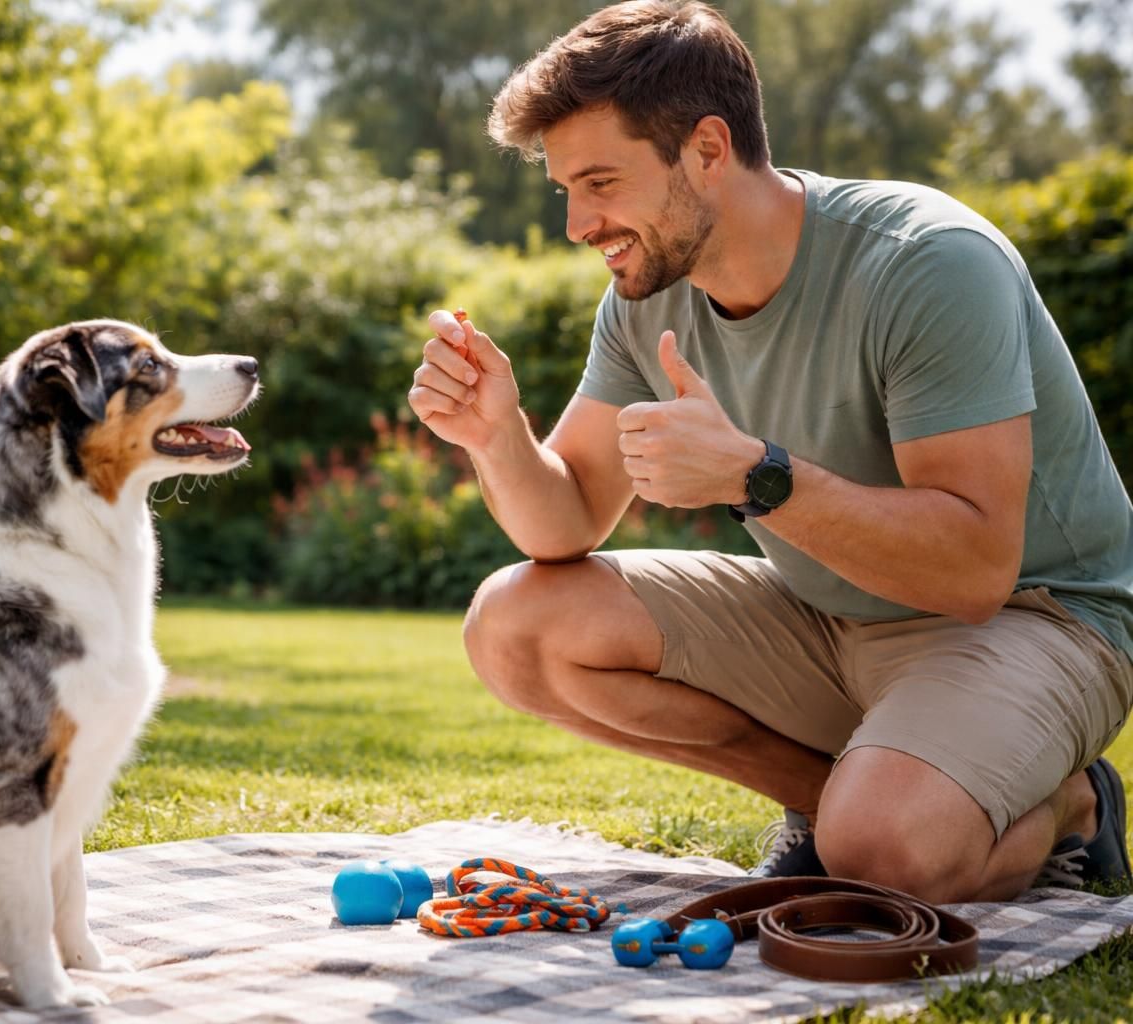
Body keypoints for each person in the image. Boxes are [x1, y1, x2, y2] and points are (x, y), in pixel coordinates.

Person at [407, 0, 1133, 903]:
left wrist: (759, 477)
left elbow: (977, 567)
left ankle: (1073, 805)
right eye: (567, 190)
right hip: (827, 617)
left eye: (600, 182)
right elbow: (561, 524)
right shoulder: (645, 297)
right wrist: (496, 436)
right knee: (515, 627)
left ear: (707, 151)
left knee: (886, 856)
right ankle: (836, 802)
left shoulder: (927, 260)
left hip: (1031, 619)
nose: (577, 224)